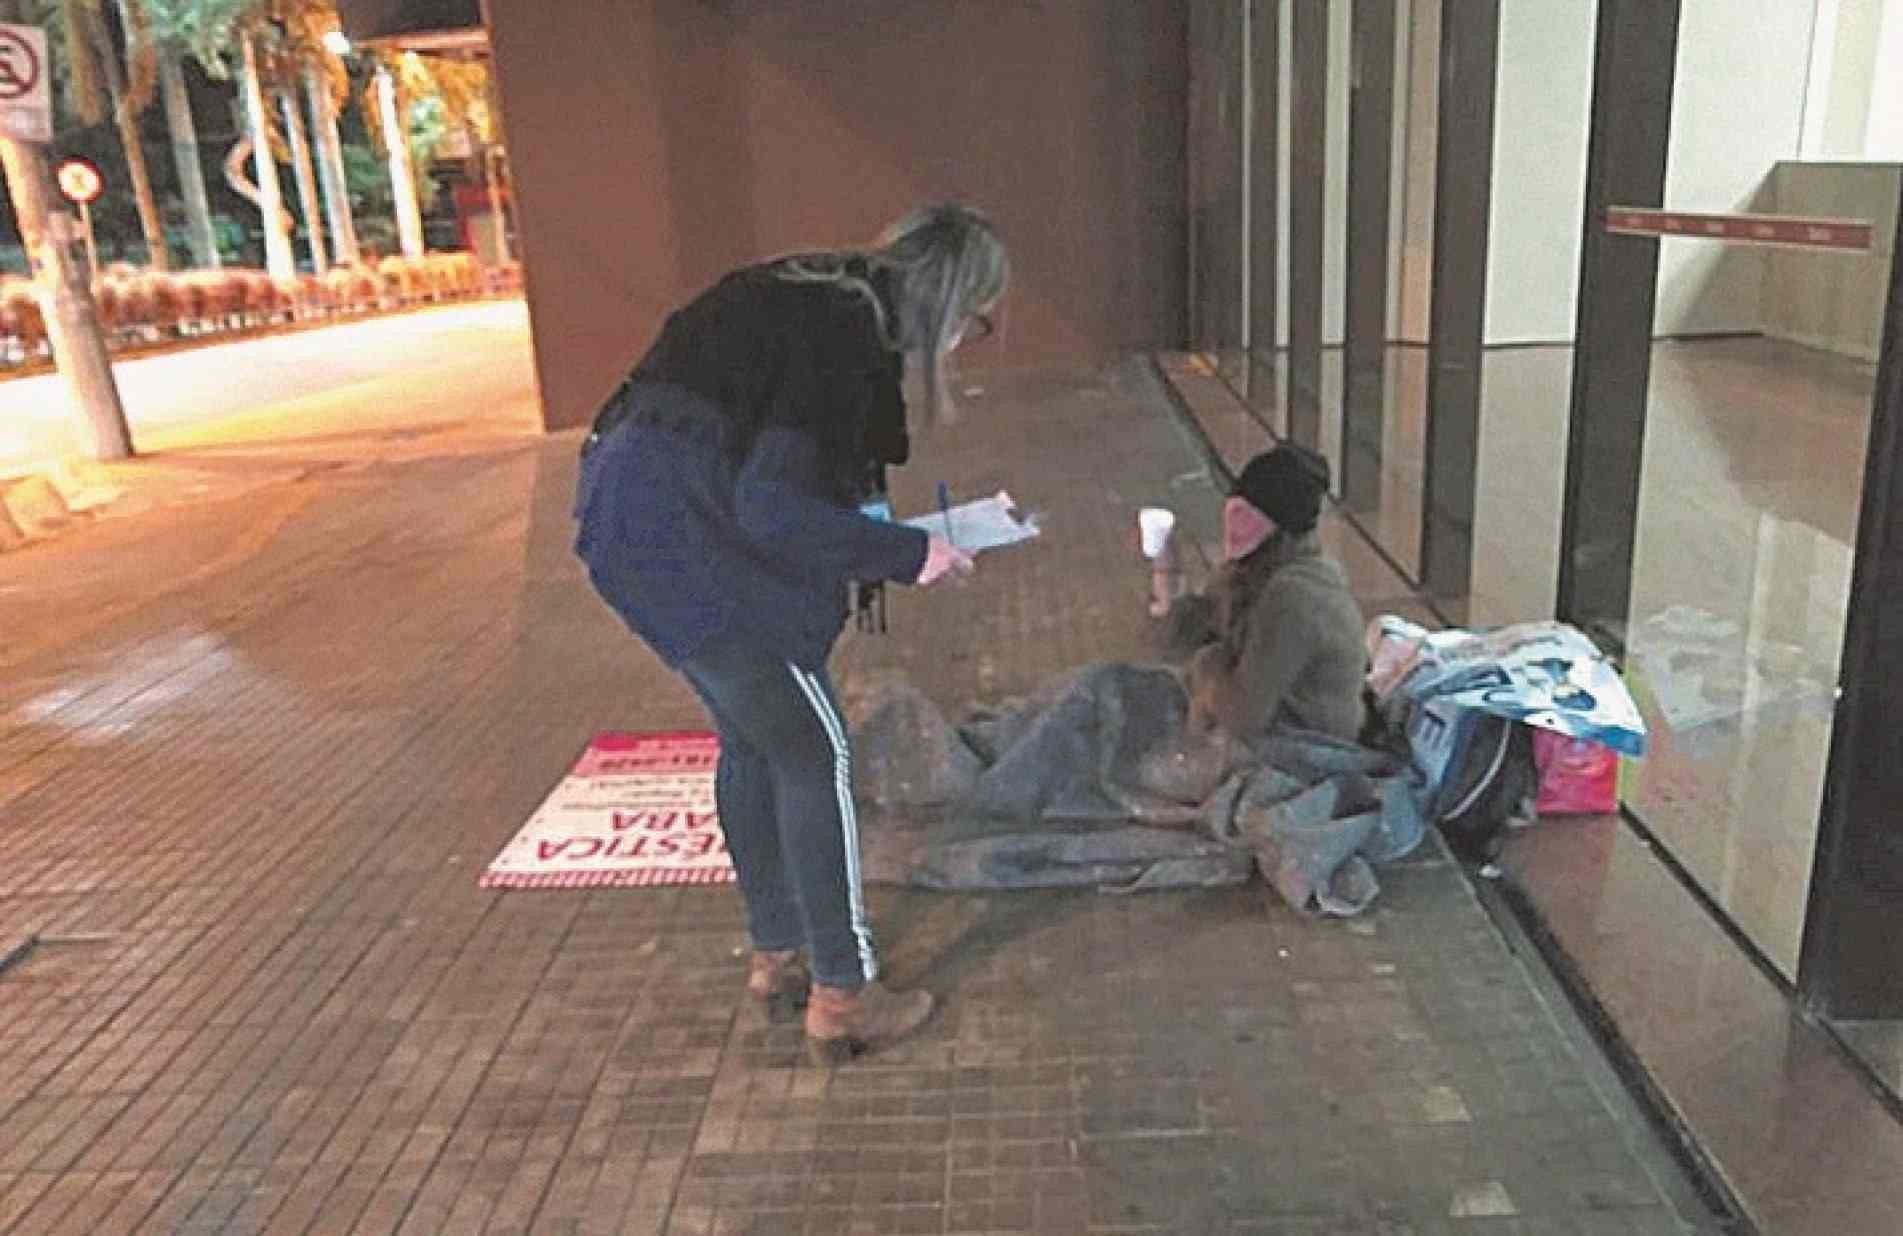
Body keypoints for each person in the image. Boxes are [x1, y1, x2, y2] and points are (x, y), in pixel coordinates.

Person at [573, 203, 1007, 1064]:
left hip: (623, 524)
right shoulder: (848, 331)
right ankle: (844, 994)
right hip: (695, 545)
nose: (963, 341)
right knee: (816, 753)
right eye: (976, 321)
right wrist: (902, 551)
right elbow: (770, 506)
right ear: (952, 299)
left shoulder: (803, 287)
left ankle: (777, 952)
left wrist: (880, 539)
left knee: (750, 738)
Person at [1167, 444, 1368, 744]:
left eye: (1247, 518)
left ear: (1280, 528)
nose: (1233, 530)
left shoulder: (1294, 595)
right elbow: (1178, 640)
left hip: (1308, 750)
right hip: (1276, 734)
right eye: (1233, 512)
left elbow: (1243, 716)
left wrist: (1207, 664)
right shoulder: (1247, 573)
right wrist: (1169, 579)